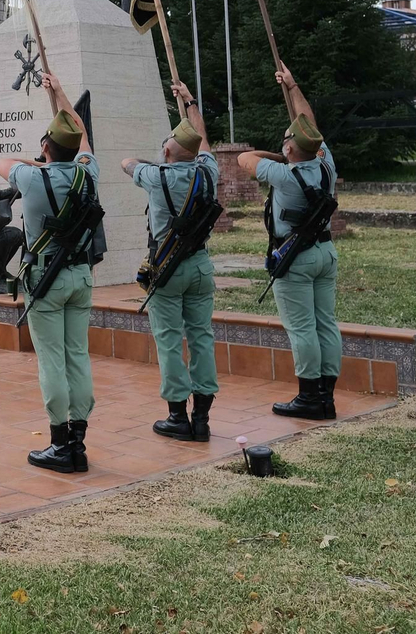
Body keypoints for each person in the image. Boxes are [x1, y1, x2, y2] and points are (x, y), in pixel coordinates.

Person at [0, 72, 99, 474]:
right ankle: (79, 442)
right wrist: (59, 93)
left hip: (45, 279)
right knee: (78, 355)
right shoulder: (87, 172)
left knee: (52, 360)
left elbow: (2, 164)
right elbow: (82, 135)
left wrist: (35, 161)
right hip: (80, 276)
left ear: (45, 147)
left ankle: (59, 443)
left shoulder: (31, 177)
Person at [239, 65, 341, 421]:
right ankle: (326, 396)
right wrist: (293, 85)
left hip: (295, 257)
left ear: (289, 147)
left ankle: (309, 397)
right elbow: (308, 122)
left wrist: (278, 155)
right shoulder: (326, 163)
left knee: (302, 328)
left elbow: (244, 159)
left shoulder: (283, 174)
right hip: (325, 252)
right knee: (326, 322)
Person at [121, 82, 219, 441]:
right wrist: (190, 102)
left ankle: (178, 416)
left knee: (169, 340)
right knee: (202, 337)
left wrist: (151, 160)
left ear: (166, 150)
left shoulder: (155, 176)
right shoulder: (208, 172)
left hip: (166, 269)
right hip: (200, 266)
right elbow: (203, 142)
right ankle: (202, 418)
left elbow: (126, 163)